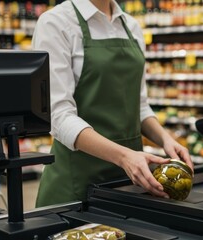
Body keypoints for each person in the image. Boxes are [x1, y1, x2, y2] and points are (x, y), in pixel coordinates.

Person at [32, 0, 193, 207]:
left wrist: (165, 140)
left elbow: (140, 105)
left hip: (131, 182)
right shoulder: (56, 23)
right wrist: (124, 157)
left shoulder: (131, 26)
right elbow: (58, 115)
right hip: (76, 185)